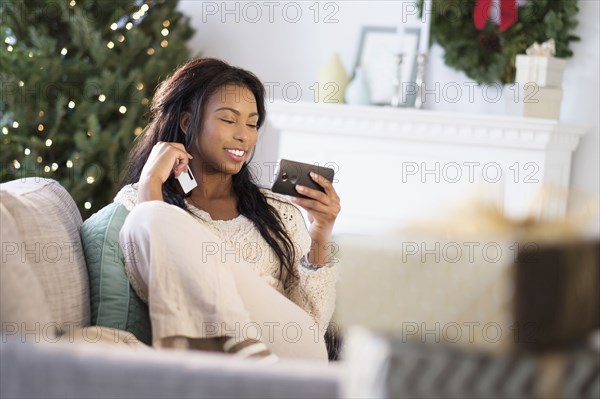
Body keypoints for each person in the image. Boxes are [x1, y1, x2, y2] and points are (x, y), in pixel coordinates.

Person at [114, 58, 341, 363]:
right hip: (213, 359)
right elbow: (152, 284)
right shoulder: (136, 201)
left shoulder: (278, 212)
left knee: (149, 217)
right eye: (228, 119)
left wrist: (320, 236)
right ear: (186, 122)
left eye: (251, 123)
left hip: (292, 352)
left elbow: (311, 324)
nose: (244, 135)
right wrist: (151, 182)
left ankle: (239, 360)